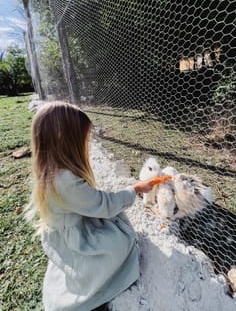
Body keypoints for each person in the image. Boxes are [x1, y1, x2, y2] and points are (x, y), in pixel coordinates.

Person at [25, 101, 155, 311]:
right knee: (120, 244)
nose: (86, 144)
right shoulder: (65, 180)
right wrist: (135, 189)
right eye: (83, 139)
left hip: (67, 232)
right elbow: (103, 204)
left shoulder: (50, 169)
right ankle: (96, 285)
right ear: (63, 138)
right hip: (76, 241)